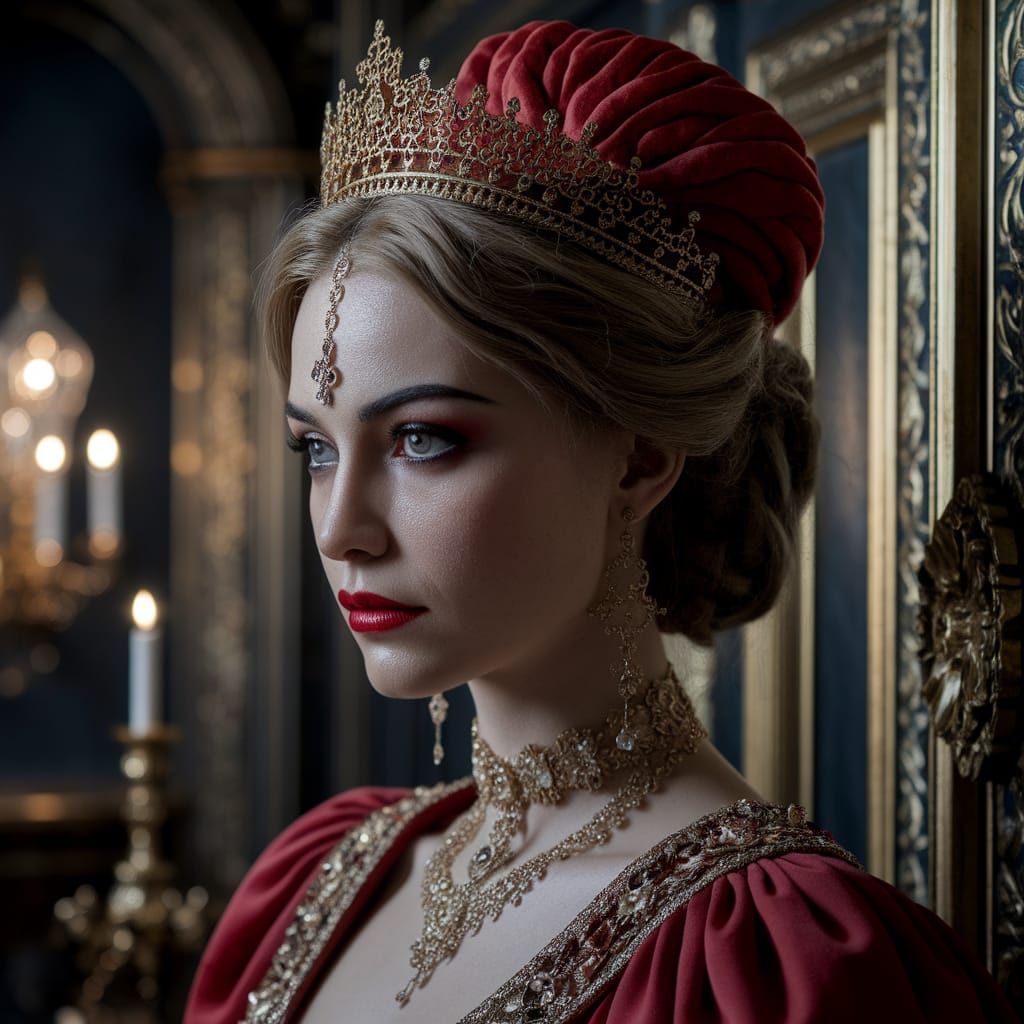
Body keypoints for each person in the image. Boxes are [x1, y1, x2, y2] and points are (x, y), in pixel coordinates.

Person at [183, 19, 1018, 1024]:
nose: (339, 528)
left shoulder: (780, 964)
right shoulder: (315, 880)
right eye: (314, 448)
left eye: (421, 440)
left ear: (640, 456)